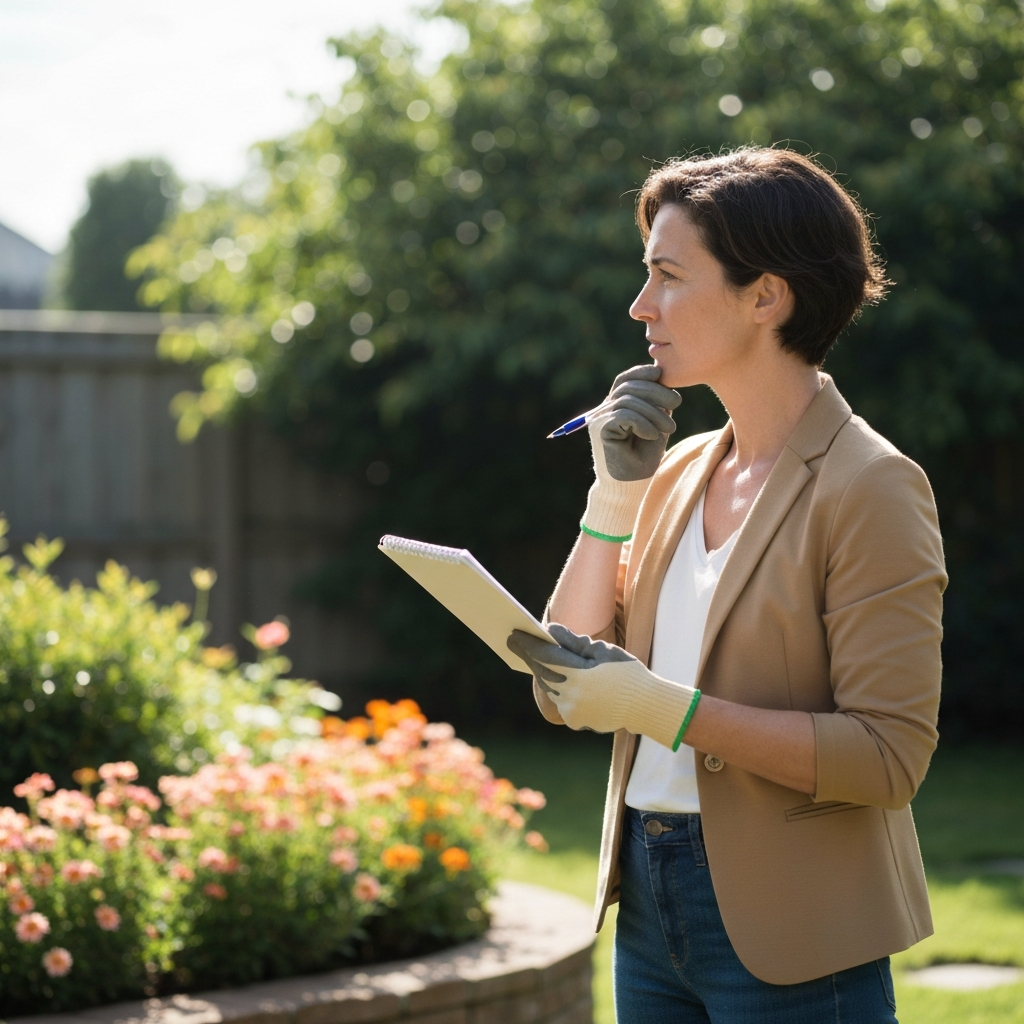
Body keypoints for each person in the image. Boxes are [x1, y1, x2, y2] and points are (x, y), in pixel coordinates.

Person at [508, 147, 947, 1023]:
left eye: (668, 277)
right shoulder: (673, 471)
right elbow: (561, 686)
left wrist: (663, 708)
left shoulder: (871, 485)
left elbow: (889, 757)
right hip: (648, 904)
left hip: (795, 927)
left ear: (765, 296)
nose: (641, 307)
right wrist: (612, 495)